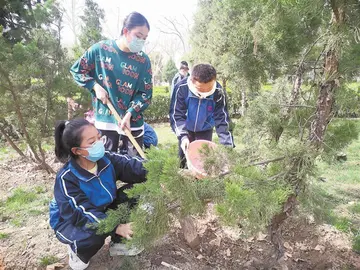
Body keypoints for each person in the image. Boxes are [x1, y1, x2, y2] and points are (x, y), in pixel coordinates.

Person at [49, 118, 146, 270]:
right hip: (72, 220)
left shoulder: (105, 159)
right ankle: (78, 251)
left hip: (101, 208)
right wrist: (116, 226)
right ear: (77, 151)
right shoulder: (67, 178)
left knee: (134, 192)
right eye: (91, 141)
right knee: (94, 235)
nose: (99, 143)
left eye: (98, 137)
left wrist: (161, 170)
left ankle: (119, 243)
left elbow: (131, 165)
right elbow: (82, 212)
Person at [70, 12, 153, 156]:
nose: (141, 41)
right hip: (106, 121)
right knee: (107, 165)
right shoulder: (100, 50)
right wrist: (94, 86)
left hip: (132, 122)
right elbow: (77, 70)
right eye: (138, 36)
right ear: (126, 31)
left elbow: (146, 94)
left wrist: (129, 114)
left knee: (136, 169)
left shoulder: (143, 60)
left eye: (144, 38)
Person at [169, 63, 234, 168]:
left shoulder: (218, 91)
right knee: (184, 161)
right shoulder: (181, 88)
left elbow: (222, 119)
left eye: (209, 88)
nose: (206, 92)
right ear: (192, 80)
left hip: (205, 129)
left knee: (204, 162)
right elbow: (176, 115)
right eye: (201, 89)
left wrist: (227, 147)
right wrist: (183, 136)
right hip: (186, 129)